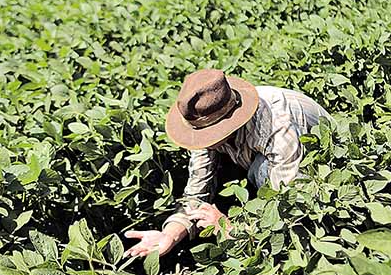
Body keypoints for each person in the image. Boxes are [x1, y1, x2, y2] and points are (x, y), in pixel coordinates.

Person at [123, 69, 331, 258]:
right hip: (260, 153)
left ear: (226, 123)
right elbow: (197, 188)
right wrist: (170, 233)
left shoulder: (276, 129)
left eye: (209, 135)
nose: (204, 141)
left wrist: (229, 228)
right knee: (225, 173)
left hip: (318, 160)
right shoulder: (206, 119)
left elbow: (289, 206)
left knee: (261, 171)